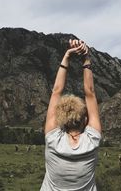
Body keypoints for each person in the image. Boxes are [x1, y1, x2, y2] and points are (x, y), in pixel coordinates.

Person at [40, 39, 102, 191]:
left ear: (61, 120)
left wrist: (66, 56)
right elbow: (90, 93)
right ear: (85, 120)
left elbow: (56, 91)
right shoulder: (92, 140)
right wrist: (86, 58)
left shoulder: (52, 138)